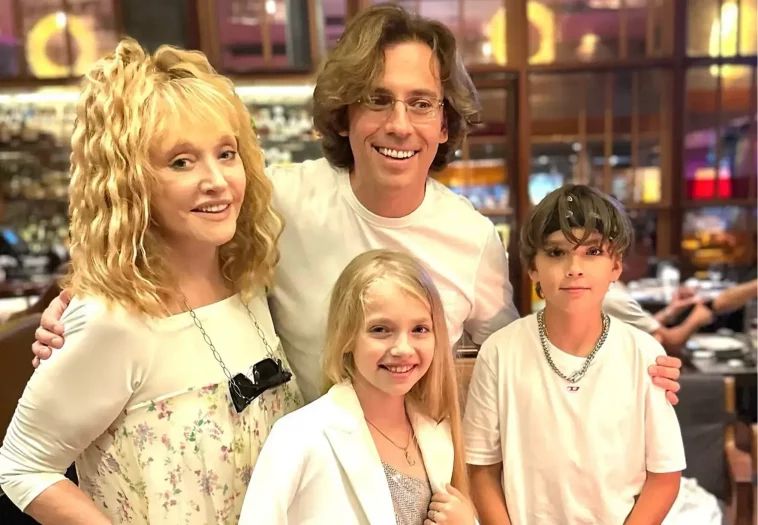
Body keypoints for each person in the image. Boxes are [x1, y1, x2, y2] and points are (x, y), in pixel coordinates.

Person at [29, 5, 683, 402]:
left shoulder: (473, 239)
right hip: (290, 468)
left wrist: (626, 365)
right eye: (377, 99)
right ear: (345, 115)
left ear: (445, 125)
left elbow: (513, 359)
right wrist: (79, 296)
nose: (399, 124)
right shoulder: (280, 198)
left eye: (421, 103)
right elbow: (167, 233)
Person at [0, 40, 303, 525]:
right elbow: (22, 466)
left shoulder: (250, 285)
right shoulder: (113, 320)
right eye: (181, 162)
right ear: (131, 182)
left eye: (226, 153)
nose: (217, 180)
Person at [464, 185, 686, 524]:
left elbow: (665, 474)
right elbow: (481, 469)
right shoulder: (500, 352)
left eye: (593, 251)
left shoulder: (643, 354)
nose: (574, 268)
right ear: (533, 267)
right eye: (556, 253)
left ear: (616, 265)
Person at [238, 249, 474, 525]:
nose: (403, 348)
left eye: (419, 329)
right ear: (347, 336)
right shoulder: (299, 437)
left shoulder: (437, 435)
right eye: (380, 330)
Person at [604, 278, 758, 353]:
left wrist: (671, 310)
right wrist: (696, 319)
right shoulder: (611, 296)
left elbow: (639, 327)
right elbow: (672, 341)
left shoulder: (614, 285)